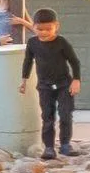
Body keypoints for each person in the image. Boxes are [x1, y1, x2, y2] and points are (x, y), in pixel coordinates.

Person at [18, 8, 83, 158]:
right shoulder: (32, 43)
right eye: (40, 29)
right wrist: (24, 81)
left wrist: (76, 80)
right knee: (47, 117)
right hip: (44, 86)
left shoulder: (61, 42)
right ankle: (49, 147)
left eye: (48, 29)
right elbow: (28, 61)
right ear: (33, 27)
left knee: (65, 114)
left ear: (56, 26)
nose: (44, 33)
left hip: (64, 85)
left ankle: (65, 144)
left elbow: (74, 62)